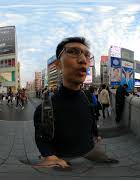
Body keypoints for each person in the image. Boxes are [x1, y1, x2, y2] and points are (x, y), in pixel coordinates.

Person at [33, 37, 118, 169]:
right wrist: (50, 156)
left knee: (109, 163)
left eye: (87, 55)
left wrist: (96, 135)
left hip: (90, 149)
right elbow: (41, 139)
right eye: (73, 52)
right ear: (58, 65)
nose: (83, 60)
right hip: (63, 157)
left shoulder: (88, 96)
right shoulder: (44, 108)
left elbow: (92, 118)